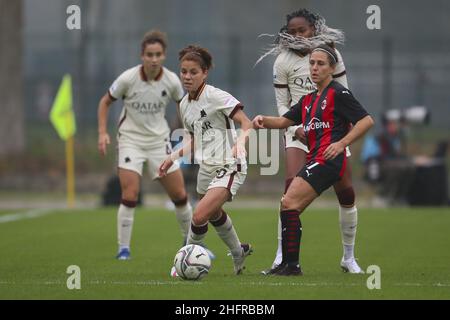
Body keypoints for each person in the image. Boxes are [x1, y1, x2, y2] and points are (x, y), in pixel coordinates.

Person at [257, 9, 364, 274]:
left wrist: (341, 138)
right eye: (292, 31)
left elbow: (344, 95)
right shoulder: (282, 61)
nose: (297, 36)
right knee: (290, 189)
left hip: (331, 134)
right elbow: (283, 105)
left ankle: (348, 258)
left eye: (302, 30)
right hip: (299, 130)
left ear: (313, 29)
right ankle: (283, 257)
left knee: (346, 192)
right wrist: (295, 130)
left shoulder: (331, 55)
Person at [97, 30, 194, 261]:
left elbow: (185, 106)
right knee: (130, 194)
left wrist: (190, 132)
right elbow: (104, 102)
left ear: (164, 55)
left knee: (180, 195)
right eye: (149, 54)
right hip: (130, 141)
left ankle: (190, 245)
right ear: (142, 55)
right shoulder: (128, 79)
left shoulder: (171, 80)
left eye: (158, 54)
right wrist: (102, 133)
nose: (153, 59)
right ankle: (123, 249)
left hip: (159, 143)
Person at [159, 45, 253, 275]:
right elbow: (194, 140)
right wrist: (172, 157)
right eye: (183, 72)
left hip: (230, 164)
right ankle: (239, 252)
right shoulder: (183, 105)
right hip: (207, 167)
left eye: (193, 72)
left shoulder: (216, 96)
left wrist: (240, 143)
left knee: (199, 215)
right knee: (213, 214)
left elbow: (246, 122)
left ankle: (183, 261)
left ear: (205, 73)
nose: (187, 77)